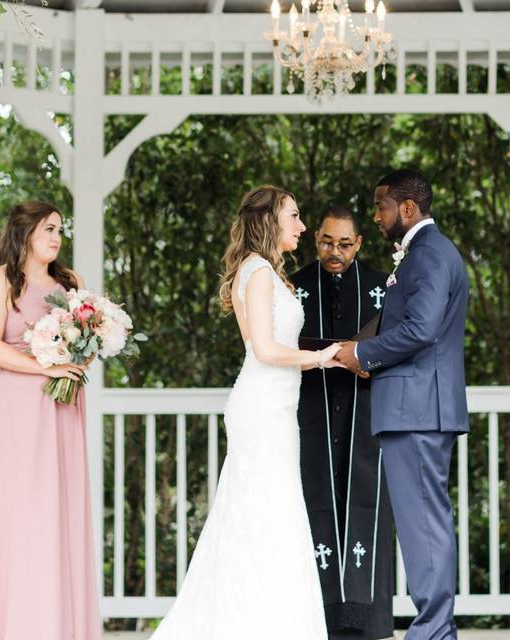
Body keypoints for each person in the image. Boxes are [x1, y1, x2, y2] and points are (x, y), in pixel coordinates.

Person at [149, 185, 343, 639]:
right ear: (270, 220)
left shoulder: (266, 274)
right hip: (262, 408)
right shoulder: (257, 273)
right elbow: (263, 348)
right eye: (294, 216)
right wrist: (323, 356)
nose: (302, 226)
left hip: (274, 406)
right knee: (263, 514)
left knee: (268, 515)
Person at [335, 169, 470, 640]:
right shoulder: (421, 253)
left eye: (381, 206)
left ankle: (434, 630)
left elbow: (421, 329)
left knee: (424, 525)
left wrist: (363, 354)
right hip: (413, 404)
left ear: (407, 208)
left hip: (418, 408)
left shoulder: (429, 254)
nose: (375, 216)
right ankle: (436, 627)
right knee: (421, 524)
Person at [0, 202, 101, 640]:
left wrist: (77, 351)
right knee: (20, 513)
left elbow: (86, 345)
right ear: (26, 232)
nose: (56, 237)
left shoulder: (72, 284)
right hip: (15, 407)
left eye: (60, 230)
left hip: (61, 408)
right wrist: (43, 366)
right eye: (48, 228)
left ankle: (59, 626)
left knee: (60, 512)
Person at [291, 206, 394, 640]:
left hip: (362, 407)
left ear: (360, 243)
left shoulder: (380, 288)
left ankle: (365, 619)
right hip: (310, 408)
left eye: (345, 244)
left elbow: (397, 341)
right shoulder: (294, 285)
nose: (335, 252)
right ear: (316, 238)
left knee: (364, 502)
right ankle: (320, 616)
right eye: (327, 242)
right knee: (313, 499)